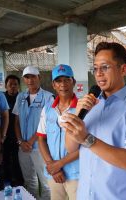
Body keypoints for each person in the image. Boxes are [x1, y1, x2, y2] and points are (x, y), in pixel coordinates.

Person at [62, 42, 126, 199]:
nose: (98, 74)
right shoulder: (89, 104)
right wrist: (77, 116)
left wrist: (86, 138)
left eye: (104, 67)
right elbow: (71, 147)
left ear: (123, 69)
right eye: (95, 68)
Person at [37, 64, 79, 200]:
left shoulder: (83, 109)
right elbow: (41, 139)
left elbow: (88, 146)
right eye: (59, 81)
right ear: (53, 85)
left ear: (74, 82)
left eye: (67, 80)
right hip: (54, 174)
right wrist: (52, 166)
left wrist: (58, 165)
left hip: (77, 174)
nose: (63, 84)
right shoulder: (47, 109)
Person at [13, 66, 53, 199]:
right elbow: (17, 121)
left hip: (40, 147)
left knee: (45, 182)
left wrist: (30, 141)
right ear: (24, 79)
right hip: (23, 147)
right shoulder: (21, 97)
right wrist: (20, 142)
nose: (30, 80)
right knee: (29, 181)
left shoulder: (48, 97)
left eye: (33, 76)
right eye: (27, 77)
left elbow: (47, 123)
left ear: (39, 78)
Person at [3, 75, 24, 186]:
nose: (13, 87)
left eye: (15, 84)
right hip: (5, 134)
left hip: (18, 133)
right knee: (5, 159)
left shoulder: (22, 98)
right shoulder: (2, 97)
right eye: (10, 84)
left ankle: (19, 182)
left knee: (17, 160)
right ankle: (6, 182)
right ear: (6, 86)